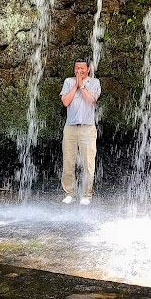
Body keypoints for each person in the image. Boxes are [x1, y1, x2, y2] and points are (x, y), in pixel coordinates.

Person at [60, 58, 101, 205]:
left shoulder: (95, 82)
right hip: (70, 127)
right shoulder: (68, 81)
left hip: (87, 128)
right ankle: (69, 193)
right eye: (77, 67)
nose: (79, 70)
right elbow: (65, 102)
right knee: (68, 161)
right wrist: (75, 85)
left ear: (88, 69)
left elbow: (90, 100)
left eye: (82, 68)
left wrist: (82, 86)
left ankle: (87, 195)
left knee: (88, 162)